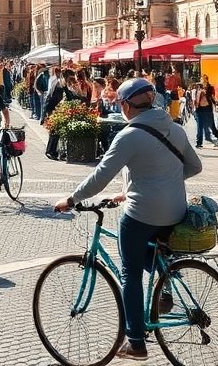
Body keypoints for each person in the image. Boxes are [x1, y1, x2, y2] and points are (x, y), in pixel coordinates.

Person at [54, 78, 202, 362]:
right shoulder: (176, 129)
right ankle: (167, 287)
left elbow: (99, 178)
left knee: (130, 273)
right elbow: (194, 166)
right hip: (175, 211)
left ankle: (135, 342)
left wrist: (71, 200)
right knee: (155, 253)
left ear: (125, 105)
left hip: (142, 213)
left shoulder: (129, 135)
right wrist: (162, 182)